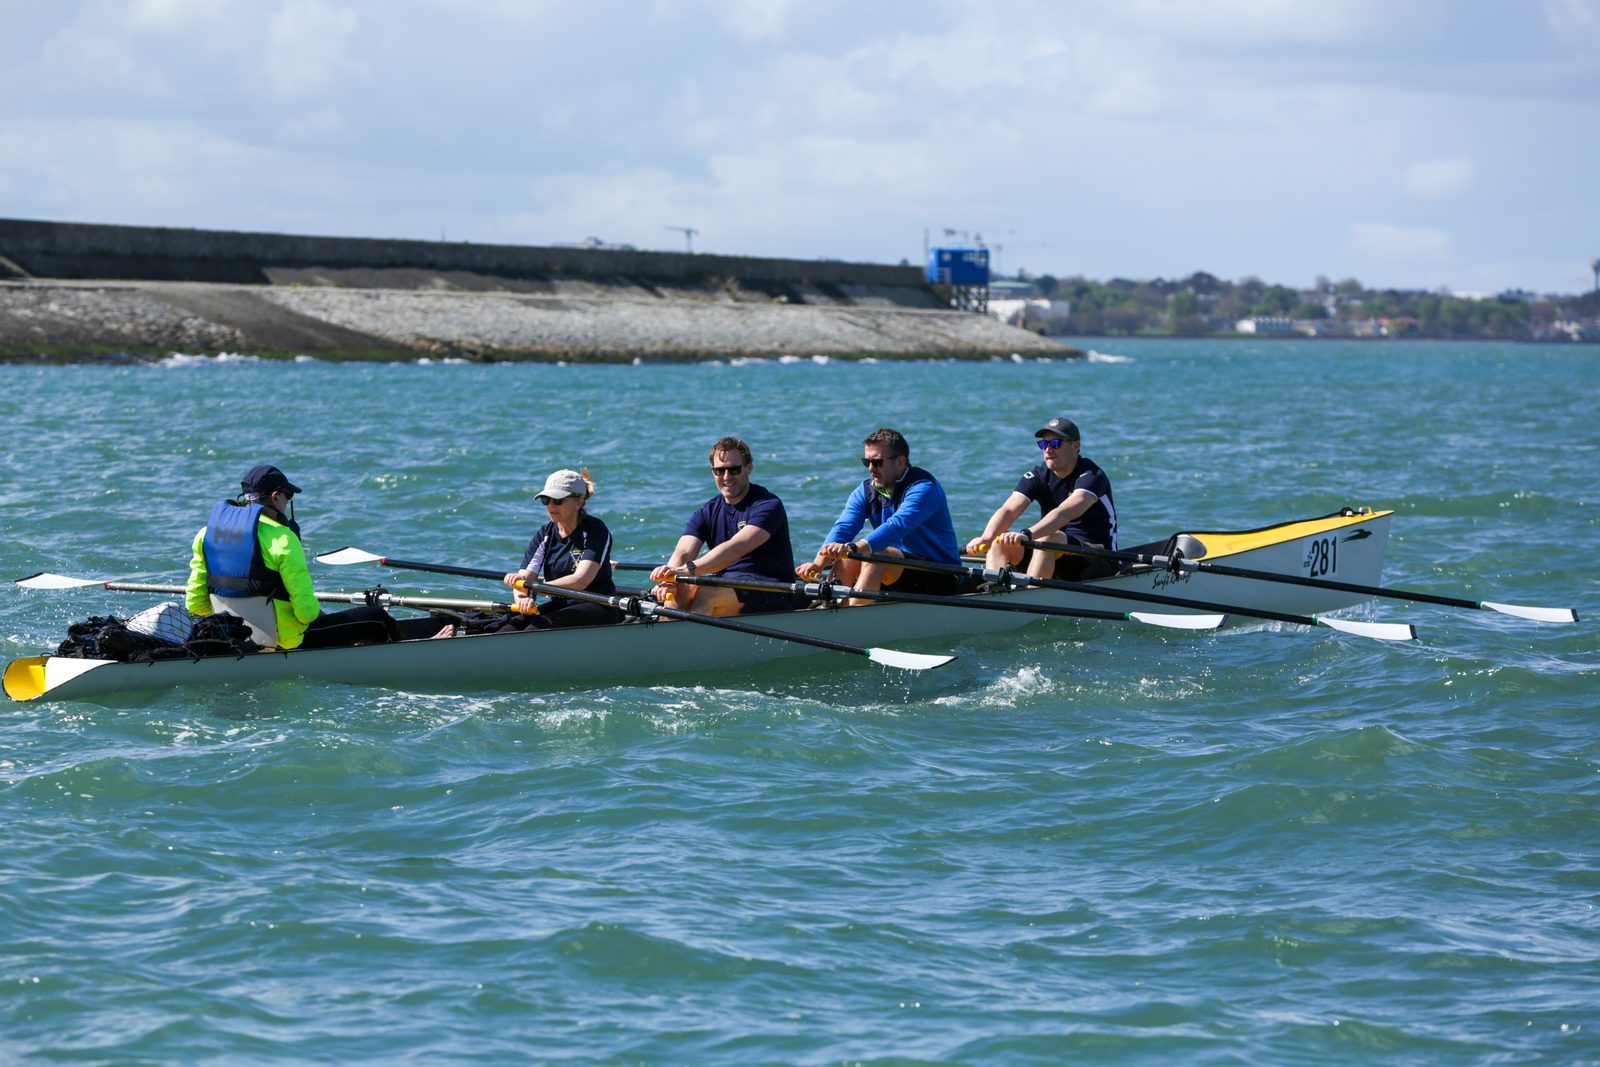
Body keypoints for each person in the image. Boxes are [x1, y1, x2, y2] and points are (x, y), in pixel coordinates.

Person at [186, 464, 400, 650]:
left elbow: (196, 604)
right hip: (285, 641)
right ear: (275, 496)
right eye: (288, 496)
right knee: (378, 618)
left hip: (231, 637)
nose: (288, 502)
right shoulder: (283, 539)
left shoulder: (206, 535)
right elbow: (306, 614)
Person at [796, 427, 964, 604]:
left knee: (872, 553)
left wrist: (856, 548)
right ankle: (831, 608)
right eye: (866, 462)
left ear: (900, 461)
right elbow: (844, 527)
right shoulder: (865, 491)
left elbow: (897, 526)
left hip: (941, 575)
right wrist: (818, 563)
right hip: (896, 571)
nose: (870, 468)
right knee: (845, 555)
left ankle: (854, 617)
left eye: (877, 462)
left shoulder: (924, 488)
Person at [649, 436, 802, 616]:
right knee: (678, 590)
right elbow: (683, 552)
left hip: (771, 589)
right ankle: (670, 637)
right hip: (727, 585)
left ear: (749, 468)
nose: (727, 477)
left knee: (706, 592)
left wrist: (684, 570)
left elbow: (735, 548)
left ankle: (689, 640)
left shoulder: (768, 505)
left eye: (734, 469)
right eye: (719, 471)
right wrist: (670, 580)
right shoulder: (707, 511)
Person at [965, 416, 1119, 582]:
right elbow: (1008, 510)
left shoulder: (1092, 476)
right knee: (1000, 542)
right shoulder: (1038, 475)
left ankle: (1032, 596)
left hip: (1100, 558)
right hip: (1055, 553)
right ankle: (997, 594)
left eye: (1055, 444)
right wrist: (986, 538)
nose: (1048, 449)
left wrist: (1027, 535)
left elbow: (1064, 513)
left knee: (1047, 538)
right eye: (1044, 444)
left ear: (1076, 446)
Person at [500, 469, 624, 629]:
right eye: (546, 499)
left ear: (579, 502)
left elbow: (580, 581)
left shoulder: (596, 530)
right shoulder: (544, 534)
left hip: (598, 605)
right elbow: (523, 580)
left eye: (558, 500)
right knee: (510, 627)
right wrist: (522, 599)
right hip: (562, 604)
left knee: (533, 629)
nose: (551, 505)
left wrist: (542, 588)